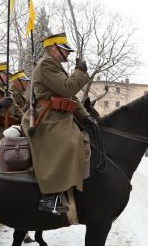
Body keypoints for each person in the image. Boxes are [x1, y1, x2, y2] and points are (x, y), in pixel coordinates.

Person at [21, 32, 96, 214]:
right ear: (54, 48)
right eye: (65, 50)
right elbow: (67, 88)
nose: (69, 54)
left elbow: (70, 97)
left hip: (59, 116)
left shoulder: (55, 66)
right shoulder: (46, 64)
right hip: (46, 118)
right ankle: (50, 196)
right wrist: (80, 72)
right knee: (68, 142)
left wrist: (85, 116)